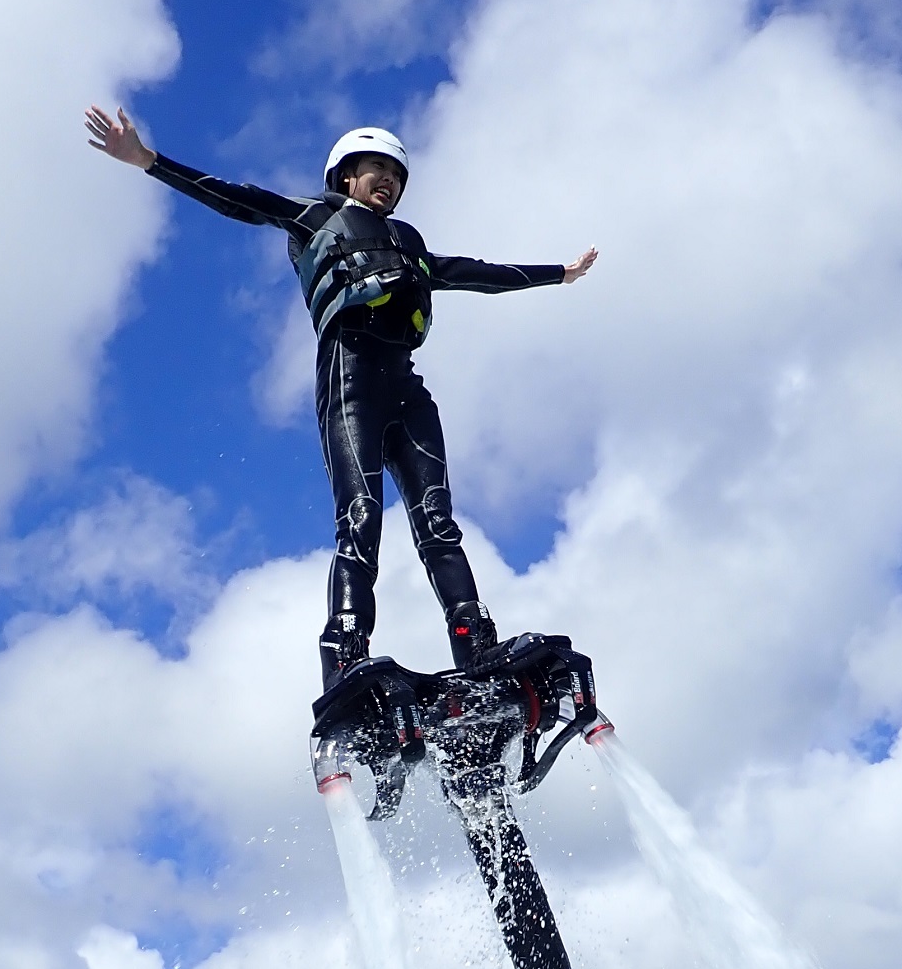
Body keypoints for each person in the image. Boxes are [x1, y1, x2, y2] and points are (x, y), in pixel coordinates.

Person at [85, 108, 597, 688]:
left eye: (396, 175)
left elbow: (474, 271)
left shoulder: (410, 242)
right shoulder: (317, 217)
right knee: (361, 518)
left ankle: (475, 646)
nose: (388, 181)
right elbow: (239, 199)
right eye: (376, 168)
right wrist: (148, 161)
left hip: (405, 386)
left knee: (439, 522)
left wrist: (560, 273)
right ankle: (347, 650)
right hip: (349, 375)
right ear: (346, 176)